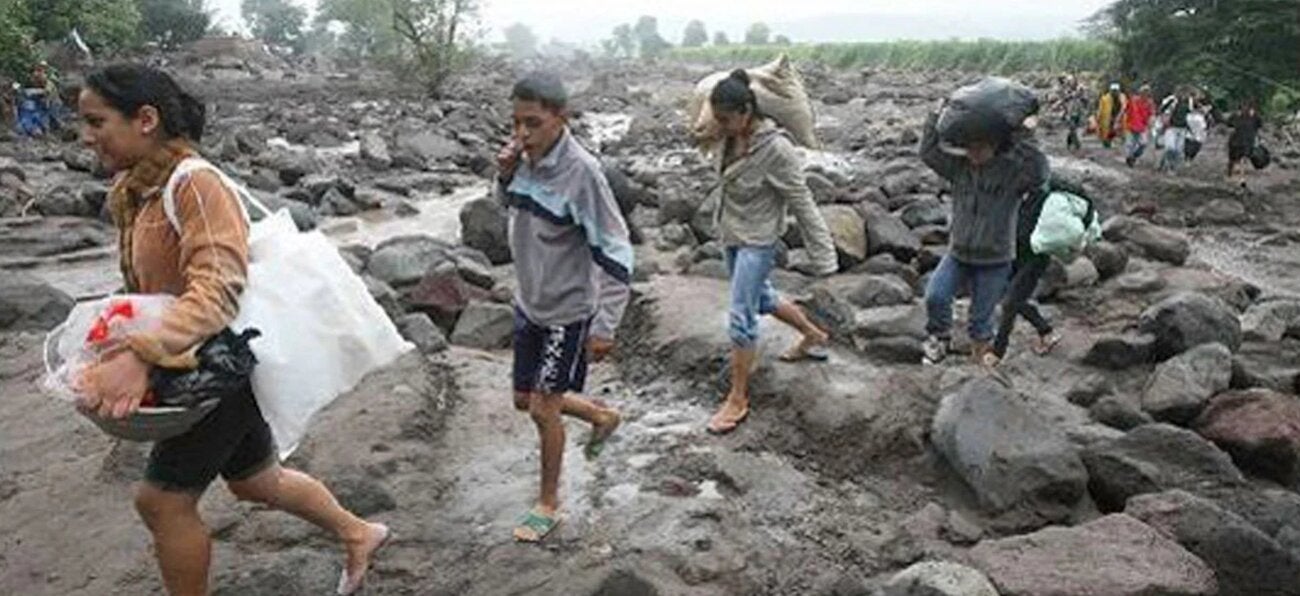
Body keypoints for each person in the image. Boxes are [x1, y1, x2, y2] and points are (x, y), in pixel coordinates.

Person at [75, 64, 388, 596]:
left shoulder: (195, 184)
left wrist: (142, 353)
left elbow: (217, 290)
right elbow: (155, 288)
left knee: (162, 503)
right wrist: (117, 339)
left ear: (145, 119)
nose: (85, 136)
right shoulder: (136, 189)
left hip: (213, 366)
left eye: (96, 121)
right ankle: (361, 532)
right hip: (193, 357)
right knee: (253, 481)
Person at [495, 72, 630, 542]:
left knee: (541, 409)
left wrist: (606, 324)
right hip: (529, 301)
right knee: (522, 399)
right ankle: (600, 416)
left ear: (561, 118)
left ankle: (548, 503)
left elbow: (616, 249)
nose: (522, 135)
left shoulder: (583, 174)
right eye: (515, 123)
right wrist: (505, 174)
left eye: (532, 123)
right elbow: (509, 209)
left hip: (567, 312)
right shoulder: (524, 159)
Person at [703, 69, 838, 434]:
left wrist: (824, 256)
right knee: (762, 298)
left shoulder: (777, 150)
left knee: (741, 314)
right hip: (731, 233)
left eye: (727, 119)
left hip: (759, 241)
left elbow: (802, 202)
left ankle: (737, 398)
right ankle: (814, 335)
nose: (722, 125)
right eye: (718, 119)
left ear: (747, 111)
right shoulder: (726, 138)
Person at [920, 97, 1050, 366]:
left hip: (994, 260)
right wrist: (934, 116)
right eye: (970, 147)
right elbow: (929, 153)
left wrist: (1024, 135)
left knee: (980, 323)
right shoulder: (959, 168)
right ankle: (939, 337)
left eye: (981, 147)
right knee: (936, 295)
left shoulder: (1013, 173)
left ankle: (978, 372)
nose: (974, 153)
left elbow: (1040, 173)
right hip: (958, 253)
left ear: (995, 146)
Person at [986, 176, 1094, 366]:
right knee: (1005, 295)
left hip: (1035, 257)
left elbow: (1082, 202)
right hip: (1012, 251)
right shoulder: (1012, 189)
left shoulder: (1046, 189)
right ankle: (1046, 332)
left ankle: (997, 352)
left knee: (1011, 302)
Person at [1159, 88, 1195, 172]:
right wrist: (1164, 119)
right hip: (1171, 127)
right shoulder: (1172, 100)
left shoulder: (1189, 102)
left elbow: (1191, 114)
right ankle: (1168, 164)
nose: (1183, 95)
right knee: (1170, 147)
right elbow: (1161, 110)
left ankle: (1172, 167)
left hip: (1182, 129)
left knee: (1178, 150)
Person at [1227, 101, 1263, 183]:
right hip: (1239, 140)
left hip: (1243, 141)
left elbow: (1259, 125)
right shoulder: (1239, 116)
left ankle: (1240, 177)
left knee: (1242, 159)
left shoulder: (1253, 116)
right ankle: (1236, 176)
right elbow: (1229, 124)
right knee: (1237, 159)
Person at [1123, 84, 1156, 167]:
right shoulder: (1133, 100)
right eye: (1144, 92)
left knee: (1143, 143)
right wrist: (1118, 121)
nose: (1145, 94)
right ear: (1140, 92)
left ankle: (1134, 156)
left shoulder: (1150, 103)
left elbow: (1152, 114)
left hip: (1142, 127)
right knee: (1130, 144)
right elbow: (1125, 110)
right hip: (1131, 125)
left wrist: (1151, 123)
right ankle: (1129, 158)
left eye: (1147, 92)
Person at [1096, 83, 1126, 149]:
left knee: (1120, 131)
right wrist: (1098, 117)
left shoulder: (1122, 97)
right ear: (1110, 90)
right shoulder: (1105, 98)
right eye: (1113, 90)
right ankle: (1107, 142)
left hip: (1120, 116)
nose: (1115, 92)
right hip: (1108, 116)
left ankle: (1121, 143)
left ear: (1119, 90)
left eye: (1116, 90)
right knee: (1107, 130)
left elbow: (1124, 107)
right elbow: (1100, 109)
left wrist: (1119, 117)